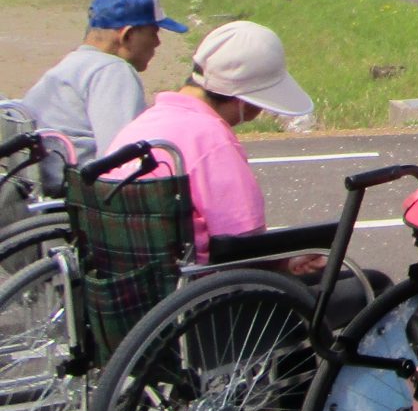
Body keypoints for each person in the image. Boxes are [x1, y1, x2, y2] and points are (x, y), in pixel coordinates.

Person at [102, 20, 325, 269]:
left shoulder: (143, 124)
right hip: (205, 290)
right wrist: (288, 263)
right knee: (366, 283)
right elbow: (244, 247)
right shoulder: (212, 140)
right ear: (245, 99)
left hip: (138, 285)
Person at [23, 0, 188, 187]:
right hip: (76, 198)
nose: (157, 42)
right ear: (127, 34)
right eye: (154, 32)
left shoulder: (68, 67)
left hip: (42, 190)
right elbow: (124, 159)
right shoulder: (113, 70)